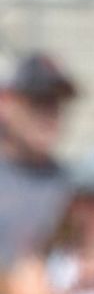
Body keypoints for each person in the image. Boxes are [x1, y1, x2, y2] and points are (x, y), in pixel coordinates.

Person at [0, 53, 78, 270]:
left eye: (56, 104)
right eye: (39, 101)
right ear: (5, 102)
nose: (50, 114)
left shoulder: (75, 186)